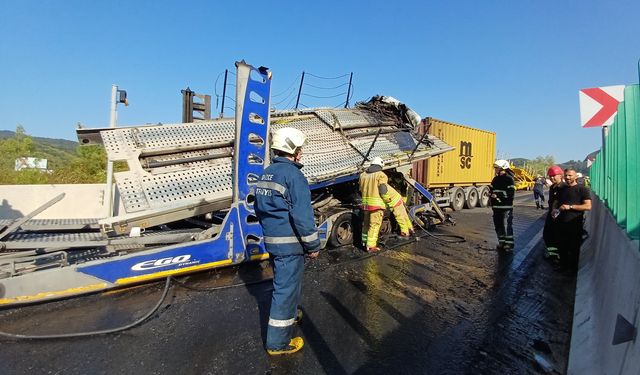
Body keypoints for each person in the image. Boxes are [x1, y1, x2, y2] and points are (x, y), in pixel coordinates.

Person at [254, 127, 320, 356]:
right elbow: (302, 216)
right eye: (299, 150)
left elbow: (259, 209)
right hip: (290, 246)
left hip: (273, 243)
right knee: (285, 290)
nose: (301, 154)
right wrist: (313, 246)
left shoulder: (267, 172)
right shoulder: (293, 176)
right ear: (291, 150)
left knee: (286, 286)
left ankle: (290, 313)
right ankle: (278, 343)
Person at [359, 157, 414, 252]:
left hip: (366, 205)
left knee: (366, 224)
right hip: (377, 205)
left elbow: (360, 188)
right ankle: (371, 246)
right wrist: (387, 200)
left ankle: (364, 242)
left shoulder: (363, 175)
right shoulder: (381, 175)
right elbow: (383, 190)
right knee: (375, 224)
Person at [554, 168, 591, 271]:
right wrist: (554, 209)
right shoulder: (562, 189)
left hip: (574, 224)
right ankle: (563, 266)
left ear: (576, 176)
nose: (567, 177)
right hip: (561, 223)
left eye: (570, 175)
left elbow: (588, 206)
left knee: (573, 248)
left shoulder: (582, 189)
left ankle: (572, 269)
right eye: (566, 175)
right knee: (562, 246)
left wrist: (570, 207)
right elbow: (557, 202)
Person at [489, 159, 516, 251]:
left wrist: (498, 195)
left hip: (506, 208)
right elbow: (491, 189)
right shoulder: (495, 179)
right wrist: (490, 193)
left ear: (503, 168)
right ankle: (501, 241)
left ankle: (509, 244)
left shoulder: (509, 179)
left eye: (497, 168)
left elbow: (510, 193)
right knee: (498, 226)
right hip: (496, 208)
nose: (495, 169)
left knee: (506, 226)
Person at [543, 165, 565, 261]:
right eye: (550, 176)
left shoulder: (564, 187)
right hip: (551, 214)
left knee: (557, 235)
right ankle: (552, 254)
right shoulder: (552, 187)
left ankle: (558, 256)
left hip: (560, 215)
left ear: (560, 175)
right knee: (547, 234)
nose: (552, 178)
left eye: (554, 175)